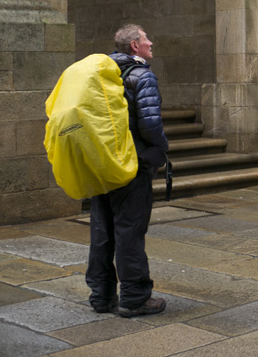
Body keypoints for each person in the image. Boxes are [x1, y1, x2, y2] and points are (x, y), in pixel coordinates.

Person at [86, 24, 169, 317]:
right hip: (131, 166)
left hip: (102, 164)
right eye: (146, 38)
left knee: (102, 232)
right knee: (129, 231)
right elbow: (150, 124)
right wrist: (161, 150)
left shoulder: (103, 75)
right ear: (134, 45)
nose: (151, 42)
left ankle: (101, 296)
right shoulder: (141, 75)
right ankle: (134, 297)